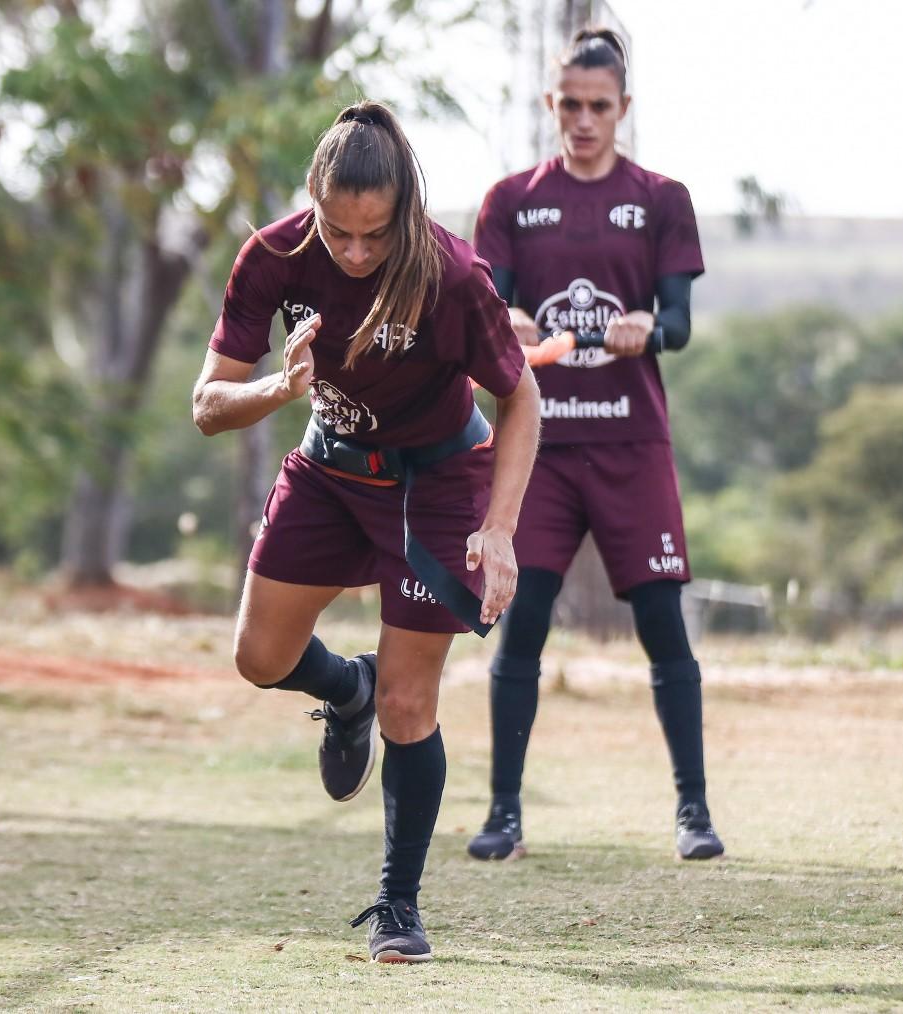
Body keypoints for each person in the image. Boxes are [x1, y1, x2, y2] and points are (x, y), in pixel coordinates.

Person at [191, 101, 541, 961]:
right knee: (260, 659)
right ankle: (343, 690)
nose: (353, 251)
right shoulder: (273, 255)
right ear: (313, 198)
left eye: (373, 236)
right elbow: (207, 405)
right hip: (330, 468)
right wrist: (278, 390)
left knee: (408, 703)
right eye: (337, 231)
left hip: (434, 484)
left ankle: (398, 907)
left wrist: (498, 528)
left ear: (407, 210)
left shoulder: (452, 276)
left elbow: (520, 396)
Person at [466, 27, 723, 863]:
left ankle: (693, 813)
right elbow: (486, 312)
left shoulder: (660, 198)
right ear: (552, 104)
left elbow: (679, 323)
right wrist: (505, 320)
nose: (582, 120)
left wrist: (648, 327)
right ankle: (503, 815)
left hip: (630, 444)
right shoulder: (509, 202)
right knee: (523, 621)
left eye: (598, 107)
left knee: (661, 622)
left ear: (624, 110)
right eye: (569, 105)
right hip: (535, 446)